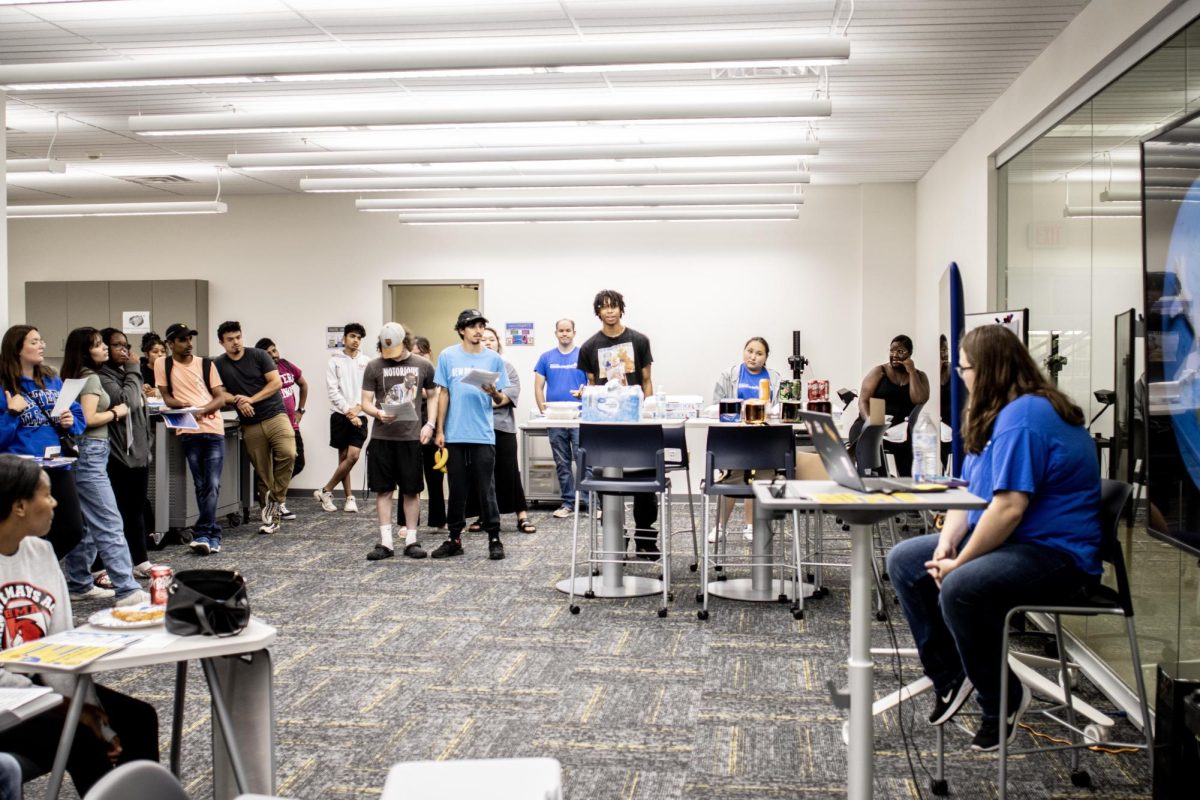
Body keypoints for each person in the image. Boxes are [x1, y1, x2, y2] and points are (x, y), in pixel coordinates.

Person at [886, 325, 1102, 752]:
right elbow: (968, 496)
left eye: (964, 369)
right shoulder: (1001, 416)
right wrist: (949, 542)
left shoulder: (1028, 416)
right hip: (1015, 545)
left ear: (987, 370)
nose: (962, 378)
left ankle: (999, 697)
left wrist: (959, 564)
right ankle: (951, 677)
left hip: (1058, 557)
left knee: (961, 588)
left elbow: (1008, 508)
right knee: (906, 562)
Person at [0, 455, 159, 795]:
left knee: (137, 719)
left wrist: (82, 705)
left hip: (40, 685)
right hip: (6, 700)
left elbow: (60, 645)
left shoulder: (41, 553)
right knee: (84, 737)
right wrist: (70, 710)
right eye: (46, 494)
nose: (55, 501)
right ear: (19, 506)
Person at [59, 327, 149, 607]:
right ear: (86, 351)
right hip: (91, 453)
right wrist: (115, 412)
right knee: (110, 521)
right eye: (99, 345)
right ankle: (127, 589)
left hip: (87, 452)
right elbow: (87, 419)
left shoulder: (75, 377)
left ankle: (79, 583)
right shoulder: (91, 378)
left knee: (86, 524)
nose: (105, 350)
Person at [578, 289, 659, 559]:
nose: (610, 311)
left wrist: (647, 412)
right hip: (606, 427)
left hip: (638, 425)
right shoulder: (590, 347)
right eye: (604, 307)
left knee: (645, 484)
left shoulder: (639, 340)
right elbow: (591, 386)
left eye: (614, 306)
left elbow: (646, 380)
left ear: (621, 309)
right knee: (607, 482)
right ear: (598, 311)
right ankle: (616, 538)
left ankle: (646, 539)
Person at [0, 324, 87, 560]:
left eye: (41, 340)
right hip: (23, 471)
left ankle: (38, 570)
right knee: (27, 534)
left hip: (58, 465)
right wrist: (11, 414)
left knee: (72, 530)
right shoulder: (4, 386)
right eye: (34, 342)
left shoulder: (51, 380)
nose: (42, 346)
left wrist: (70, 421)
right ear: (17, 349)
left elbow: (79, 416)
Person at [432, 309, 510, 561]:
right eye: (473, 326)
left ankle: (494, 538)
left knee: (486, 488)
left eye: (481, 326)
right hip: (454, 434)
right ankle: (454, 538)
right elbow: (443, 394)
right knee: (457, 489)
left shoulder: (493, 359)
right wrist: (439, 430)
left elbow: (501, 398)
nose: (478, 330)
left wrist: (493, 393)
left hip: (482, 434)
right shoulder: (447, 356)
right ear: (461, 330)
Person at [360, 323, 437, 561]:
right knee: (383, 490)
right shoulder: (374, 366)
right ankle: (386, 543)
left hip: (410, 438)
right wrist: (378, 413)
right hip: (382, 438)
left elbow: (433, 395)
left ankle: (412, 540)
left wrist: (430, 424)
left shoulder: (423, 365)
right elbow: (365, 402)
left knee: (411, 490)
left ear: (405, 341)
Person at [214, 321, 296, 535]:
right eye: (230, 339)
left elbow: (275, 383)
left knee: (289, 453)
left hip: (275, 414)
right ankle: (271, 518)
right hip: (250, 423)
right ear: (221, 342)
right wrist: (239, 401)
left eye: (238, 337)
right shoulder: (219, 364)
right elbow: (220, 394)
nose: (236, 343)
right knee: (262, 472)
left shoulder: (259, 355)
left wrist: (250, 399)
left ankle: (276, 501)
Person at [155, 322, 227, 555]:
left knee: (212, 483)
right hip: (187, 429)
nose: (188, 344)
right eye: (183, 340)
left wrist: (202, 409)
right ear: (171, 343)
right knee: (200, 484)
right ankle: (210, 535)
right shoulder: (162, 364)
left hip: (213, 428)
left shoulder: (206, 364)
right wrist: (183, 406)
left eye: (190, 339)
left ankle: (206, 533)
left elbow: (220, 398)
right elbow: (167, 397)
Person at [708, 336, 782, 542]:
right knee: (732, 477)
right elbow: (716, 406)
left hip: (763, 439)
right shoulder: (729, 375)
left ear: (766, 358)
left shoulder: (774, 378)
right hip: (735, 439)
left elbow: (779, 408)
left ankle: (750, 525)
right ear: (744, 351)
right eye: (750, 351)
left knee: (757, 478)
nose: (753, 357)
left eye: (759, 353)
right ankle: (720, 526)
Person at [466, 327, 536, 534]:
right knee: (480, 473)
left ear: (498, 343)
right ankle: (483, 515)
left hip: (502, 428)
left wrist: (489, 399)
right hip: (477, 428)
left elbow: (507, 397)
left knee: (510, 471)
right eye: (484, 339)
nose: (487, 342)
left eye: (492, 339)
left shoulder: (507, 368)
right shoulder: (471, 368)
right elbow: (465, 397)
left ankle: (521, 515)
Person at [98, 328, 155, 578]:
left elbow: (140, 409)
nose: (125, 350)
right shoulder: (102, 377)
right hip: (119, 455)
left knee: (136, 509)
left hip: (139, 454)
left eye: (126, 345)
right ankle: (101, 567)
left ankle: (140, 560)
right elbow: (127, 401)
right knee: (117, 512)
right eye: (117, 345)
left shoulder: (125, 374)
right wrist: (134, 370)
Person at [849, 333, 930, 476]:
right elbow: (863, 400)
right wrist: (871, 422)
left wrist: (911, 372)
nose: (894, 355)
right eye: (892, 351)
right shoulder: (879, 371)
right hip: (872, 422)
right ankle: (876, 481)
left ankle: (906, 486)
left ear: (910, 354)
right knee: (870, 440)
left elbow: (919, 399)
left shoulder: (919, 376)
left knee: (909, 457)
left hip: (900, 429)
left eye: (900, 351)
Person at [533, 319, 587, 519]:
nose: (565, 334)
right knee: (562, 462)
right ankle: (568, 503)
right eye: (561, 331)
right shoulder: (546, 357)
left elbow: (592, 383)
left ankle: (591, 504)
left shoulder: (583, 355)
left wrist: (585, 391)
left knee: (584, 461)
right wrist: (543, 413)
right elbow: (538, 387)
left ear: (574, 332)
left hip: (580, 418)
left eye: (568, 330)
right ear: (556, 333)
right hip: (555, 419)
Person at [316, 323, 370, 514]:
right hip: (340, 415)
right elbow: (333, 391)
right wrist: (349, 412)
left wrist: (357, 410)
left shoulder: (367, 362)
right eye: (353, 336)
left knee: (353, 456)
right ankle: (349, 498)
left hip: (360, 414)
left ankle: (326, 490)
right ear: (344, 338)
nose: (356, 340)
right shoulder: (335, 361)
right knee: (343, 457)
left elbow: (370, 391)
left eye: (359, 338)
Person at [256, 337, 308, 519]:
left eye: (274, 350)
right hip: (273, 424)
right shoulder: (260, 372)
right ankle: (278, 503)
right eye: (268, 353)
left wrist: (300, 409)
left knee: (298, 462)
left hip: (291, 424)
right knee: (272, 465)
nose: (273, 355)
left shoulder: (286, 365)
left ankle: (274, 495)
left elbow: (303, 384)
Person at [412, 335, 447, 532]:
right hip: (411, 431)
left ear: (429, 353)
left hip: (433, 431)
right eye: (415, 354)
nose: (420, 357)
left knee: (435, 479)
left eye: (422, 353)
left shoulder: (437, 372)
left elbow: (440, 394)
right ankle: (409, 522)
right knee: (411, 479)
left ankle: (439, 520)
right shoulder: (408, 373)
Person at [138, 332, 165, 398]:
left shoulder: (170, 368)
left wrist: (158, 392)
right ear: (146, 354)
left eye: (163, 351)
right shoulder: (140, 370)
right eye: (155, 352)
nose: (160, 354)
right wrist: (142, 387)